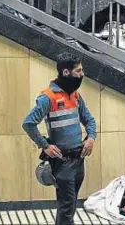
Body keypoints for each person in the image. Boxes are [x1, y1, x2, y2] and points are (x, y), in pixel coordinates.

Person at [22, 52, 97, 224]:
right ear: (66, 72)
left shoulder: (75, 95)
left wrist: (91, 138)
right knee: (66, 206)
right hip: (62, 162)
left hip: (79, 159)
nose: (82, 74)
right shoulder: (48, 97)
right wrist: (45, 146)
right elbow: (28, 124)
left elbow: (89, 120)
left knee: (69, 207)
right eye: (78, 71)